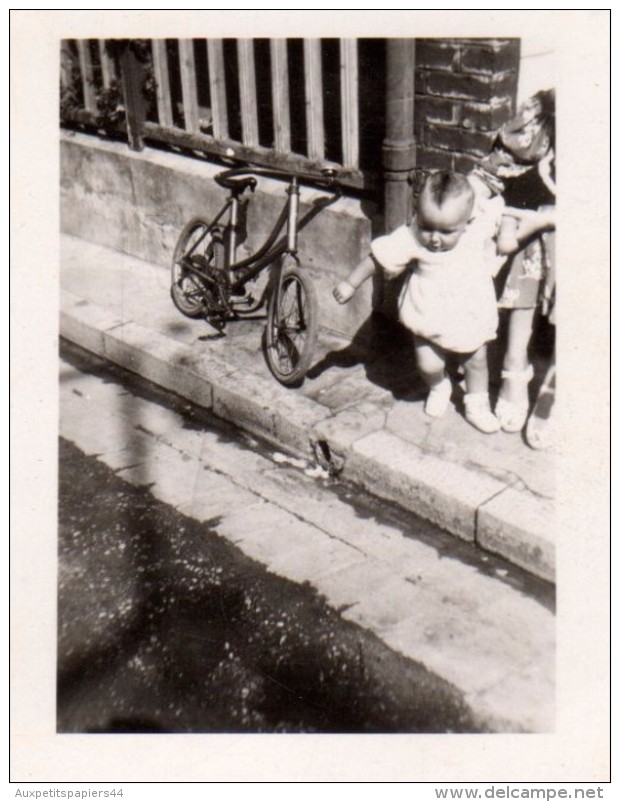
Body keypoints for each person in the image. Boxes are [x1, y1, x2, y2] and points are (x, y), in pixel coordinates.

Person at [333, 171, 506, 433]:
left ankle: (477, 406)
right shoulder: (412, 237)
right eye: (427, 227)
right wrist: (350, 283)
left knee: (476, 362)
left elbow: (500, 208)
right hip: (429, 314)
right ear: (418, 216)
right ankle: (438, 385)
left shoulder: (476, 229)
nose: (434, 238)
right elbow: (379, 257)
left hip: (469, 313)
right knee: (428, 363)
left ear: (466, 222)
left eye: (446, 231)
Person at [473, 89, 556, 434]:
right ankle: (505, 360)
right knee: (523, 245)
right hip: (534, 212)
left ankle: (535, 371)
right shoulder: (546, 116)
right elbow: (493, 171)